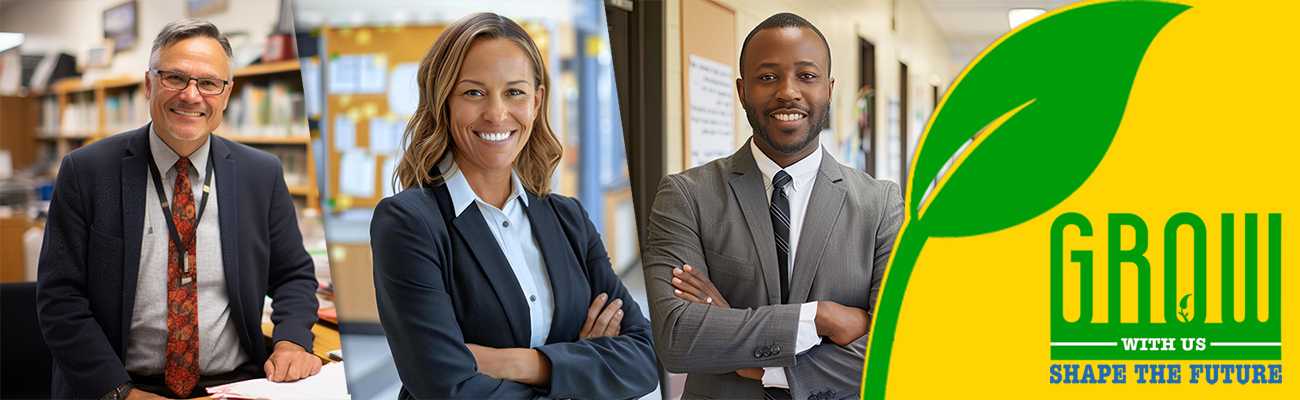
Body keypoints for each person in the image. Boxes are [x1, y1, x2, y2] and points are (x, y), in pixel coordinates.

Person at [371, 12, 658, 399]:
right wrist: (580, 366)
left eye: (514, 92)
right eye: (473, 92)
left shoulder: (568, 217)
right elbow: (447, 387)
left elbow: (643, 358)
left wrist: (519, 363)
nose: (496, 113)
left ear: (536, 101)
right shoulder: (409, 223)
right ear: (444, 101)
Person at [36, 19, 322, 400]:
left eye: (208, 83)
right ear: (148, 83)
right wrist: (120, 392)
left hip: (232, 385)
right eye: (175, 77)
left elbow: (293, 275)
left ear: (227, 93)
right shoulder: (86, 171)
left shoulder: (261, 173)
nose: (191, 96)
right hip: (123, 386)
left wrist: (291, 341)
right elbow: (60, 299)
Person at [643, 12, 904, 400]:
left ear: (829, 89)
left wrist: (762, 365)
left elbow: (898, 347)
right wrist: (818, 318)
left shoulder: (881, 204)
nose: (788, 92)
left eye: (807, 76)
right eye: (767, 77)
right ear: (742, 90)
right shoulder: (686, 196)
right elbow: (676, 338)